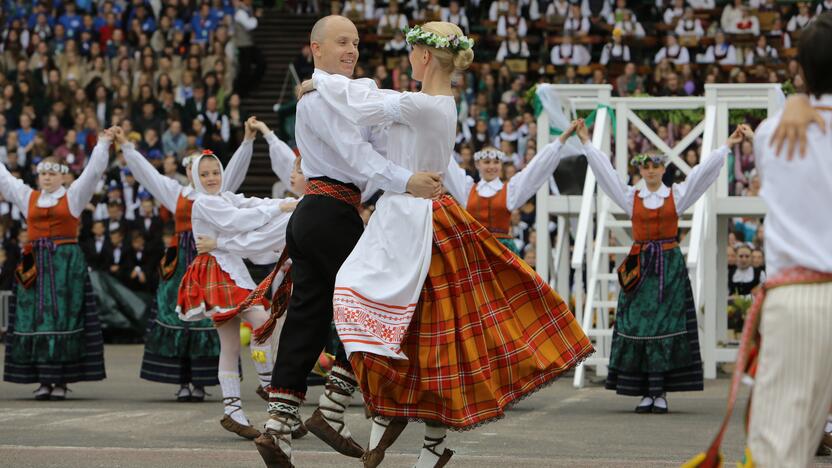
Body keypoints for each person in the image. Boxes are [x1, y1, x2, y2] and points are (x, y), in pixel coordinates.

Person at [297, 22, 593, 468]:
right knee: (423, 334)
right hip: (406, 216)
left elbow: (361, 103)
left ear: (424, 58)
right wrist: (326, 90)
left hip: (417, 221)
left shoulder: (425, 105)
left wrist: (319, 82)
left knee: (381, 310)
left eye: (413, 50)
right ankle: (388, 430)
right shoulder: (421, 105)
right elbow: (369, 120)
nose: (409, 57)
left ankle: (357, 415)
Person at [250, 15, 448, 468]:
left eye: (356, 42)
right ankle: (333, 409)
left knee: (309, 315)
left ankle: (279, 427)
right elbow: (357, 156)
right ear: (315, 49)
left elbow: (380, 132)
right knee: (373, 301)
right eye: (341, 42)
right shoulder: (318, 97)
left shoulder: (346, 93)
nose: (351, 50)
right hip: (331, 210)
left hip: (320, 213)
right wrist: (406, 181)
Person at [581, 119, 749, 413]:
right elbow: (604, 174)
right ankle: (646, 391)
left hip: (669, 267)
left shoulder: (677, 195)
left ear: (663, 169)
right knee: (639, 326)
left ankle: (660, 392)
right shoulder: (631, 196)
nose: (651, 171)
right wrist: (586, 142)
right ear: (640, 169)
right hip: (640, 265)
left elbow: (702, 174)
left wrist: (728, 145)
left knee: (666, 326)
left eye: (656, 166)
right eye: (646, 166)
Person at [744, 13, 832, 466]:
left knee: (779, 449)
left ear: (801, 70)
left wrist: (802, 100)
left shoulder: (770, 132)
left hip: (797, 295)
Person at [123, 119, 257, 402]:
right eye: (198, 170)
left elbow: (232, 172)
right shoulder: (178, 194)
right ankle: (183, 380)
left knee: (211, 321)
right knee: (179, 318)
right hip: (183, 261)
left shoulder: (217, 192)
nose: (207, 176)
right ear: (190, 172)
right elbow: (149, 176)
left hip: (210, 256)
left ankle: (203, 381)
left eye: (211, 171)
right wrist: (127, 147)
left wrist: (247, 142)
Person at [171, 147, 296, 440]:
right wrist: (281, 209)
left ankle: (233, 409)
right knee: (263, 321)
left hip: (227, 269)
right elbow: (238, 222)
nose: (211, 178)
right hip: (217, 272)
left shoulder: (223, 198)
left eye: (215, 172)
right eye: (205, 174)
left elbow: (250, 204)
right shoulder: (203, 202)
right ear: (195, 177)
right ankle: (267, 386)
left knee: (231, 342)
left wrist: (285, 202)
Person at [1, 130, 113, 400]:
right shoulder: (27, 196)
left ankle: (60, 380)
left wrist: (103, 143)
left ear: (62, 175)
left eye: (52, 174)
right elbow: (3, 177)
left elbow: (92, 173)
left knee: (65, 318)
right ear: (38, 176)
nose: (47, 178)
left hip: (64, 265)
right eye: (43, 174)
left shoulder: (73, 196)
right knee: (36, 320)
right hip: (35, 266)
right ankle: (42, 379)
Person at [443, 139, 572, 255]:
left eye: (496, 162)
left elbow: (533, 171)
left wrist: (560, 141)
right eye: (487, 162)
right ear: (478, 165)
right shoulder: (467, 189)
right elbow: (448, 165)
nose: (491, 166)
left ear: (501, 166)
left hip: (502, 250)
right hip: (474, 248)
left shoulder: (509, 190)